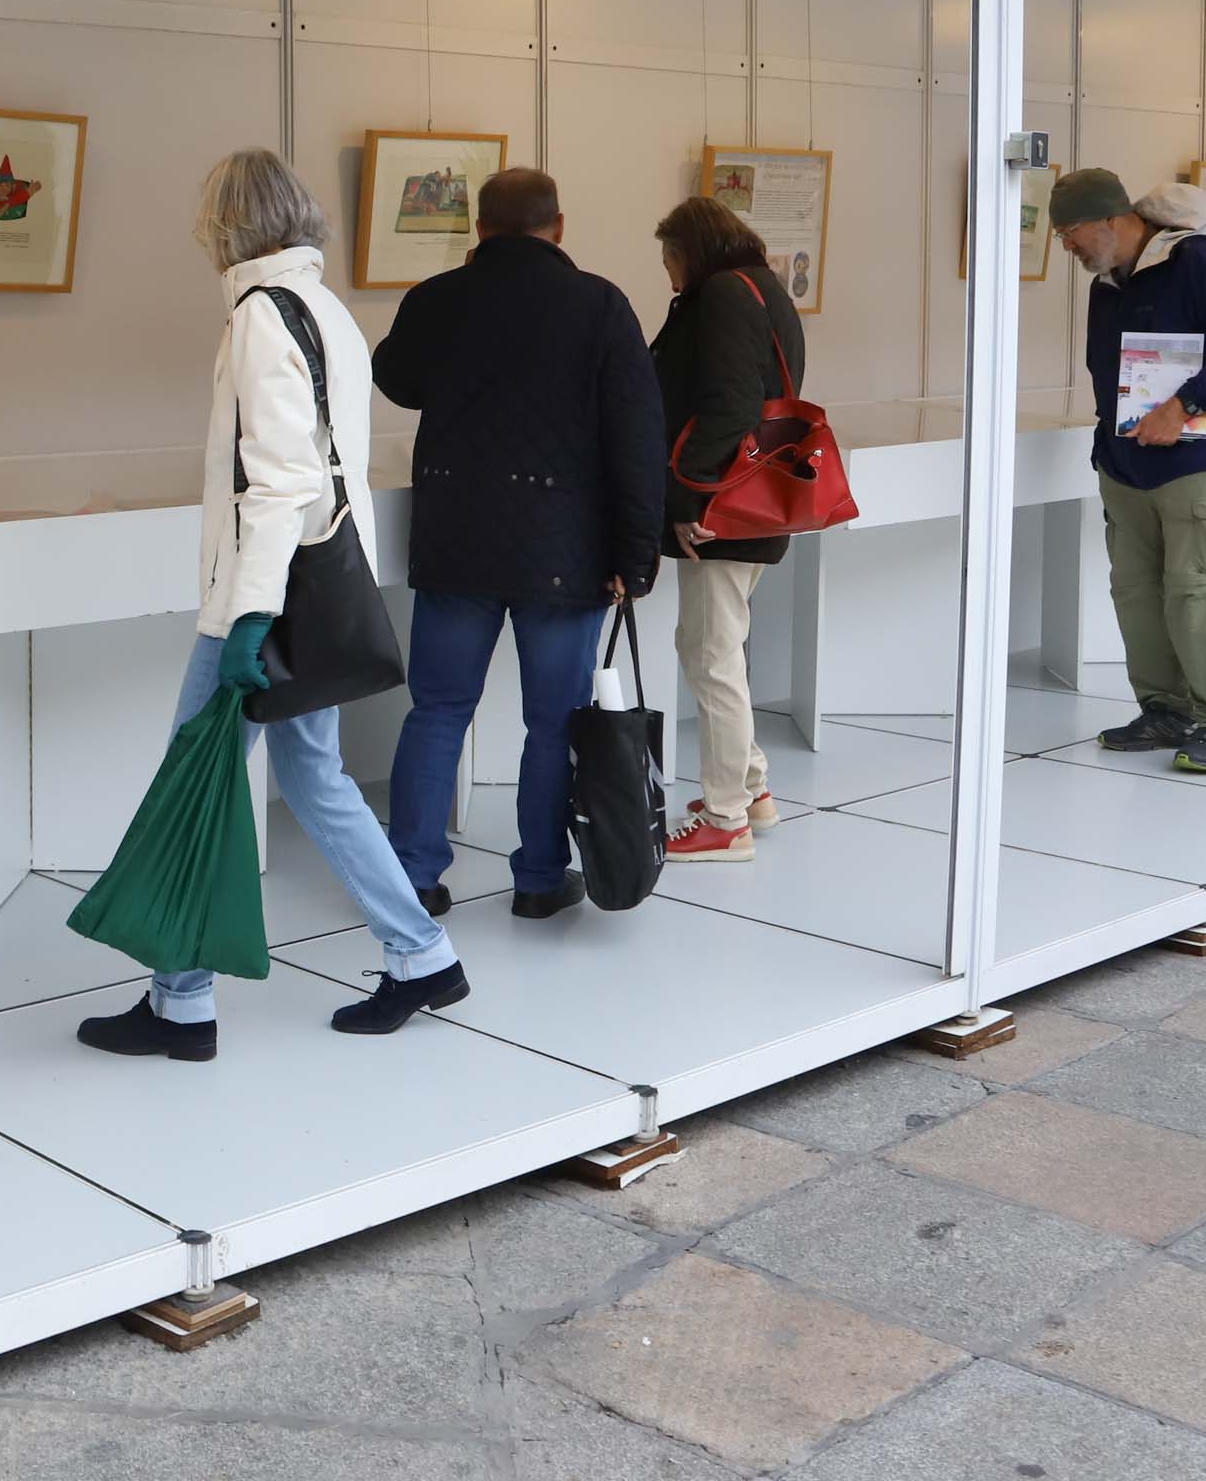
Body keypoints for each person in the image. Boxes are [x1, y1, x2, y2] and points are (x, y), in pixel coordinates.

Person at [76, 149, 466, 1061]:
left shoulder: (258, 317)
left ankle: (183, 1004)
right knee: (315, 780)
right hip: (319, 592)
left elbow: (282, 484)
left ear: (227, 225)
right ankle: (421, 953)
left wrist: (246, 617)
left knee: (197, 775)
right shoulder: (326, 308)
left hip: (263, 599)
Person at [373, 168, 665, 917]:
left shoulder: (438, 298)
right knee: (553, 722)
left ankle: (412, 876)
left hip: (455, 542)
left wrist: (463, 297)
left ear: (478, 228)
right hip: (563, 550)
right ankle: (538, 881)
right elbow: (636, 441)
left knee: (437, 710)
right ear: (558, 226)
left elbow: (395, 379)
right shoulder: (600, 305)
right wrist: (635, 558)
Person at [1050, 170, 1206, 774]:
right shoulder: (1109, 284)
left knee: (1201, 593)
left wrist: (1185, 405)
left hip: (1196, 465)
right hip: (1125, 468)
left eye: (1069, 233)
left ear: (1109, 220)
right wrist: (1106, 449)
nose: (1066, 247)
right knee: (1137, 595)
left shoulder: (1196, 264)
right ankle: (1165, 708)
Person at [649, 196, 807, 862]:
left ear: (693, 250)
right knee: (712, 645)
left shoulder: (723, 296)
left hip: (722, 508)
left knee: (712, 654)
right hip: (747, 499)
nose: (669, 276)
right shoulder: (761, 287)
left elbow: (732, 405)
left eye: (670, 260)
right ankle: (752, 788)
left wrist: (688, 496)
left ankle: (725, 820)